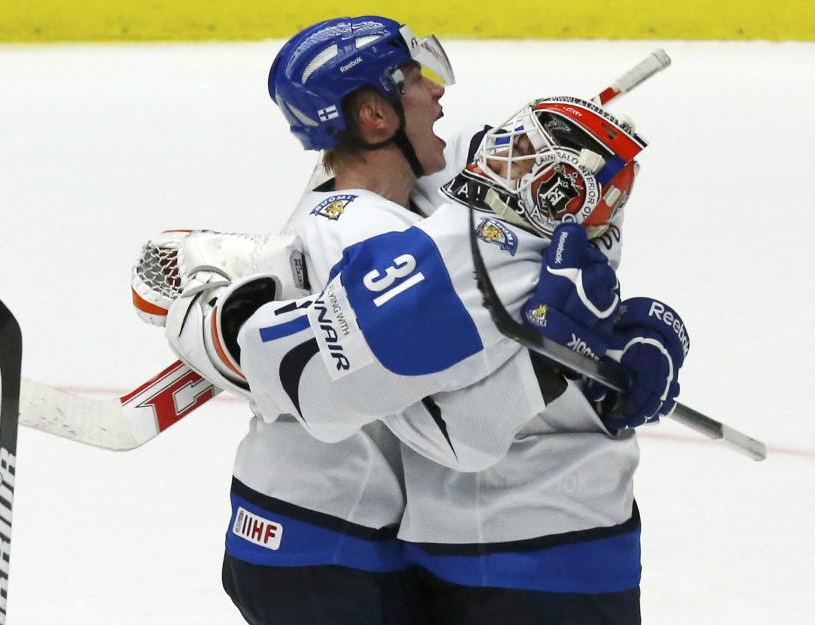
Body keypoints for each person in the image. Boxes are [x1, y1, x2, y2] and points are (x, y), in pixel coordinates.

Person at [162, 96, 689, 624]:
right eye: (420, 79)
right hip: (364, 540)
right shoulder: (437, 235)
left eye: (525, 147)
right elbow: (444, 426)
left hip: (428, 545)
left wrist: (612, 350)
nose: (441, 94)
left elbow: (432, 414)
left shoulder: (460, 235)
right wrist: (570, 363)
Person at [132, 15, 460, 625]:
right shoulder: (358, 232)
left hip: (315, 529)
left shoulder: (374, 206)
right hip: (323, 545)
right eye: (419, 80)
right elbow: (460, 379)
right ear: (376, 116)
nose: (438, 93)